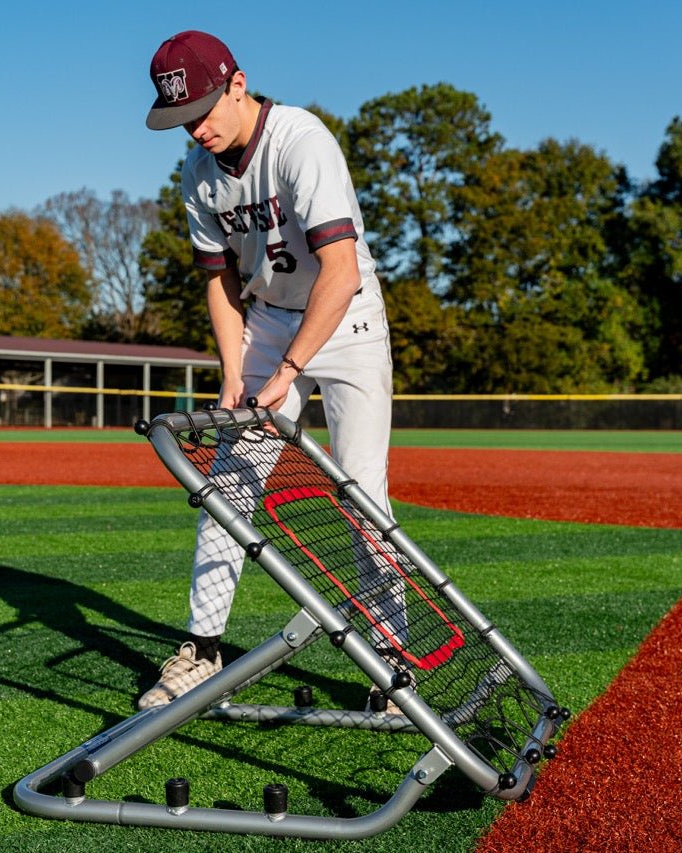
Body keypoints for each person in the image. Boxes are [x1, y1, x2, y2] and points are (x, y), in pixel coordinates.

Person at [138, 30, 400, 710]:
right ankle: (203, 647)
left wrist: (289, 367)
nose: (195, 131)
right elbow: (220, 282)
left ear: (237, 83)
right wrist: (235, 371)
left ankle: (396, 662)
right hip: (268, 321)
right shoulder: (198, 172)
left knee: (362, 496)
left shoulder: (300, 140)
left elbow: (339, 272)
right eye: (181, 120)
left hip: (345, 319)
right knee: (226, 484)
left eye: (202, 112)